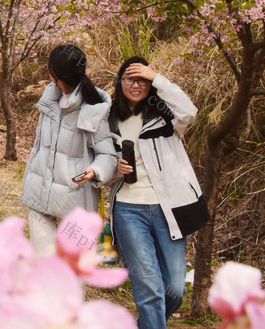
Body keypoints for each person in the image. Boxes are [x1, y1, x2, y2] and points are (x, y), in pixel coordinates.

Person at [108, 57, 208, 329]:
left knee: (175, 289)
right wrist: (115, 168)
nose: (136, 84)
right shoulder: (110, 119)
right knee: (149, 288)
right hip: (129, 209)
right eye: (130, 78)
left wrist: (157, 77)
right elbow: (101, 165)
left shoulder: (166, 116)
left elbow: (190, 111)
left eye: (142, 79)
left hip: (169, 210)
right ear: (120, 83)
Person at [21, 44, 117, 254]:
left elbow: (108, 155)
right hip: (39, 197)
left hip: (73, 204)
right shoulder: (48, 102)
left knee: (71, 272)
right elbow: (39, 146)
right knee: (45, 266)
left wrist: (96, 171)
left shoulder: (92, 110)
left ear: (55, 74)